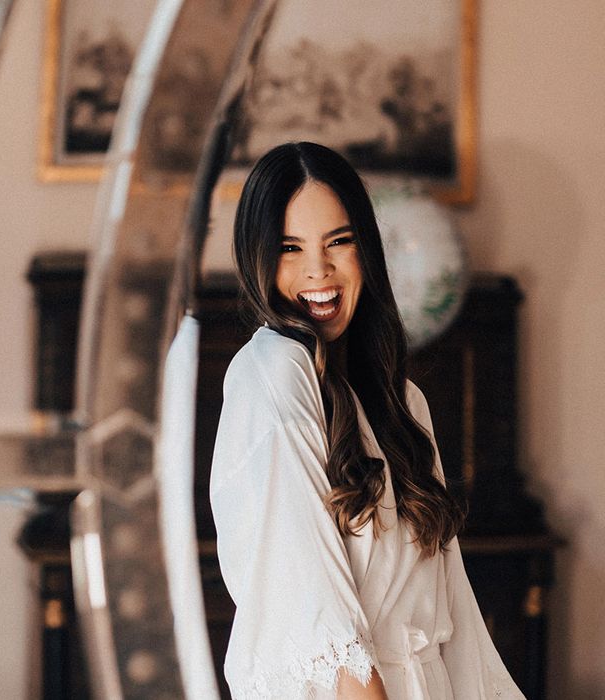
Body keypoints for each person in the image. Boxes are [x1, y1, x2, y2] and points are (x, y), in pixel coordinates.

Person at [209, 142, 524, 700]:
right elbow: (318, 627)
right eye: (289, 248)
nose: (318, 271)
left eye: (339, 241)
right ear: (256, 258)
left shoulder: (404, 404)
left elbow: (458, 621)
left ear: (367, 250)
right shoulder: (272, 372)